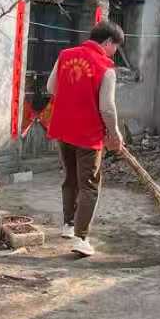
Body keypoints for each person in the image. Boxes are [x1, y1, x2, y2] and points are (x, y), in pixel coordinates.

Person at [44, 19, 125, 257]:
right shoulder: (106, 68)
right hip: (88, 136)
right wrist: (115, 133)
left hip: (63, 129)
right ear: (108, 42)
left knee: (70, 178)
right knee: (89, 185)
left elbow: (51, 88)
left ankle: (68, 225)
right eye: (116, 46)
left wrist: (73, 96)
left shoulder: (65, 55)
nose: (115, 52)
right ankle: (81, 238)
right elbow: (107, 108)